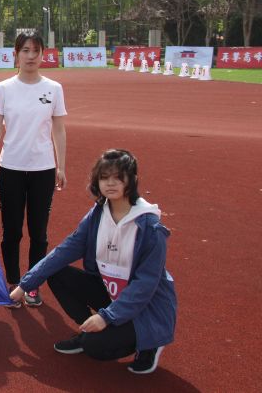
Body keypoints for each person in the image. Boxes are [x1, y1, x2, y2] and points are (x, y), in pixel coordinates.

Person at [9, 149, 177, 374]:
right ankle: (90, 328)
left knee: (95, 348)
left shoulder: (150, 228)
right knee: (57, 273)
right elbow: (65, 251)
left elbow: (145, 285)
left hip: (145, 308)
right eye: (104, 177)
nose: (110, 183)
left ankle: (148, 344)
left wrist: (106, 317)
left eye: (118, 177)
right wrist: (25, 284)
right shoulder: (98, 214)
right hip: (112, 294)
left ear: (132, 180)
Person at [0, 31, 67, 308]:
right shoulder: (4, 88)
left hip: (43, 169)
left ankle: (32, 285)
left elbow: (58, 129)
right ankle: (13, 282)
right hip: (11, 168)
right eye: (25, 50)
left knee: (38, 232)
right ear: (15, 54)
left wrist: (61, 166)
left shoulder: (53, 88)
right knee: (12, 231)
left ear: (43, 54)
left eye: (35, 51)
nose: (30, 56)